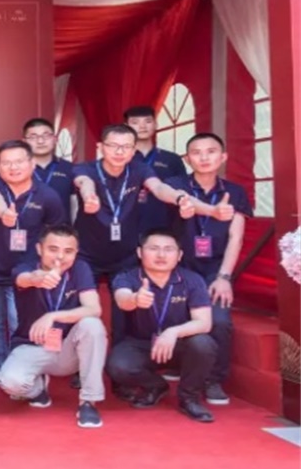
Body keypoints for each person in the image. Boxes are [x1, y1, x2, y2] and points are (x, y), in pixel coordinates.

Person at [73, 124, 233, 347]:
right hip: (87, 254)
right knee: (82, 307)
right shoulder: (86, 169)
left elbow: (159, 189)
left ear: (133, 150)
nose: (119, 152)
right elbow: (84, 183)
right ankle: (78, 359)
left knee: (124, 312)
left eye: (126, 147)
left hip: (126, 254)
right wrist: (89, 196)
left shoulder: (139, 170)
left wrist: (191, 203)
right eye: (113, 146)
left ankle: (121, 358)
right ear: (101, 147)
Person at [166, 133, 252, 405]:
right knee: (175, 314)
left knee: (220, 320)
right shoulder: (176, 185)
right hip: (180, 266)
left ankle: (214, 379)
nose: (204, 157)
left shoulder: (235, 192)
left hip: (215, 267)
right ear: (187, 158)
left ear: (223, 157)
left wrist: (225, 276)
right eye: (196, 152)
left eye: (211, 151)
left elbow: (236, 237)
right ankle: (179, 364)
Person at [0, 224, 107, 428]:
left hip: (67, 350)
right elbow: (25, 279)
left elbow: (94, 308)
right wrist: (38, 279)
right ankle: (38, 389)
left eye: (68, 251)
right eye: (53, 249)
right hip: (32, 346)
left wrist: (52, 316)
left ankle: (89, 401)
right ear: (39, 249)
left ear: (76, 252)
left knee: (93, 325)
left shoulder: (80, 269)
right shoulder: (25, 268)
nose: (60, 257)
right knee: (10, 383)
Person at [106, 229, 217, 422]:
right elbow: (122, 299)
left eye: (168, 249)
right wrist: (135, 298)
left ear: (179, 255)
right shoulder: (127, 277)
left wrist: (173, 332)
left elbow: (204, 323)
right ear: (140, 252)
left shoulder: (192, 280)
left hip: (179, 344)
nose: (161, 255)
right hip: (141, 344)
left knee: (203, 344)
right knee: (118, 366)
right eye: (154, 248)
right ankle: (156, 386)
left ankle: (189, 397)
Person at [0, 140, 65, 372]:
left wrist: (50, 268)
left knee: (21, 324)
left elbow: (55, 236)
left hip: (27, 275)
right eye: (6, 163)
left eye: (19, 162)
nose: (13, 167)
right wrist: (3, 212)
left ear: (32, 163)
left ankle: (21, 370)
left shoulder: (48, 196)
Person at [124, 106, 189, 233]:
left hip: (165, 226)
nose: (142, 126)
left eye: (148, 121)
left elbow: (183, 190)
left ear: (156, 124)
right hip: (126, 227)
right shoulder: (121, 159)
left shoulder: (172, 159)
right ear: (126, 127)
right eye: (135, 122)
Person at [22, 118, 75, 219]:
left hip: (61, 227)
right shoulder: (17, 169)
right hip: (26, 228)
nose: (40, 141)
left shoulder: (69, 168)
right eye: (33, 137)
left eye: (46, 136)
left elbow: (74, 204)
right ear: (24, 142)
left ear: (55, 139)